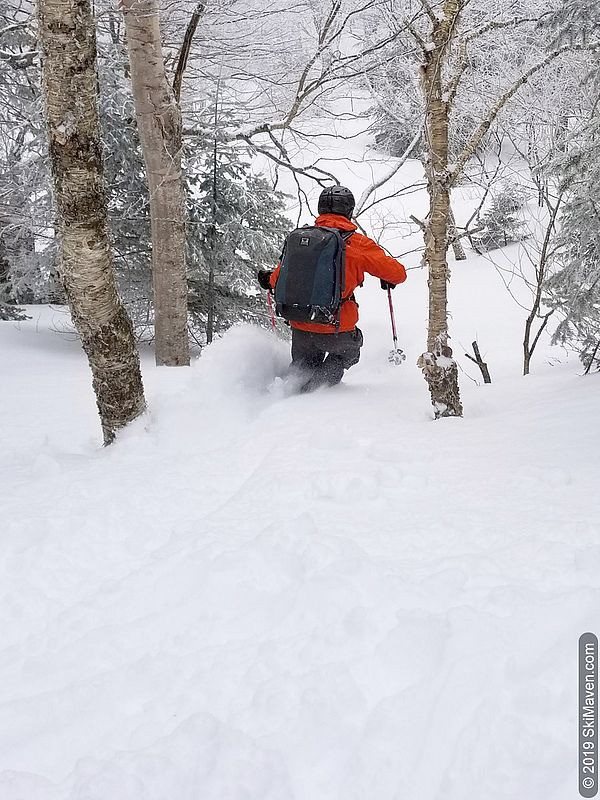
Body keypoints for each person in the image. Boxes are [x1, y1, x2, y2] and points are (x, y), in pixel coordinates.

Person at [258, 185, 407, 392]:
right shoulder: (357, 243)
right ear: (349, 211)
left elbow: (276, 278)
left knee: (304, 365)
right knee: (348, 353)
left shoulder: (303, 239)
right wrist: (385, 277)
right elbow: (398, 274)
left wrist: (267, 279)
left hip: (301, 324)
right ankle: (317, 392)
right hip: (337, 327)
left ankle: (287, 391)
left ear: (320, 209)